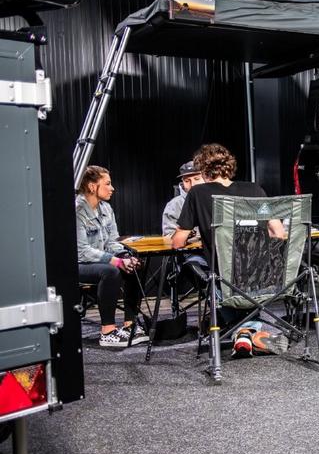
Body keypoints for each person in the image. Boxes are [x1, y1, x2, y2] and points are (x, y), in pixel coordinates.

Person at [172, 143, 285, 358]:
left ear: (203, 170)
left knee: (212, 274)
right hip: (262, 277)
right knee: (238, 279)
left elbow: (177, 242)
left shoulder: (197, 193)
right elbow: (278, 232)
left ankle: (243, 332)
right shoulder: (255, 190)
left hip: (224, 278)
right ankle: (249, 332)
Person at [76, 165, 149, 348]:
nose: (112, 188)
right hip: (78, 263)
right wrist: (116, 261)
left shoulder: (106, 208)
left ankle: (130, 325)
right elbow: (82, 251)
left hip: (101, 260)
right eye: (107, 184)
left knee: (134, 265)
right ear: (92, 186)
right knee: (110, 272)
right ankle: (107, 331)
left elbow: (112, 241)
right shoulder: (77, 210)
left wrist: (125, 256)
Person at [162, 161, 203, 237]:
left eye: (197, 179)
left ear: (206, 178)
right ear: (182, 182)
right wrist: (188, 233)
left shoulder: (216, 199)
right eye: (187, 181)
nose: (192, 184)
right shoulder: (174, 205)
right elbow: (168, 236)